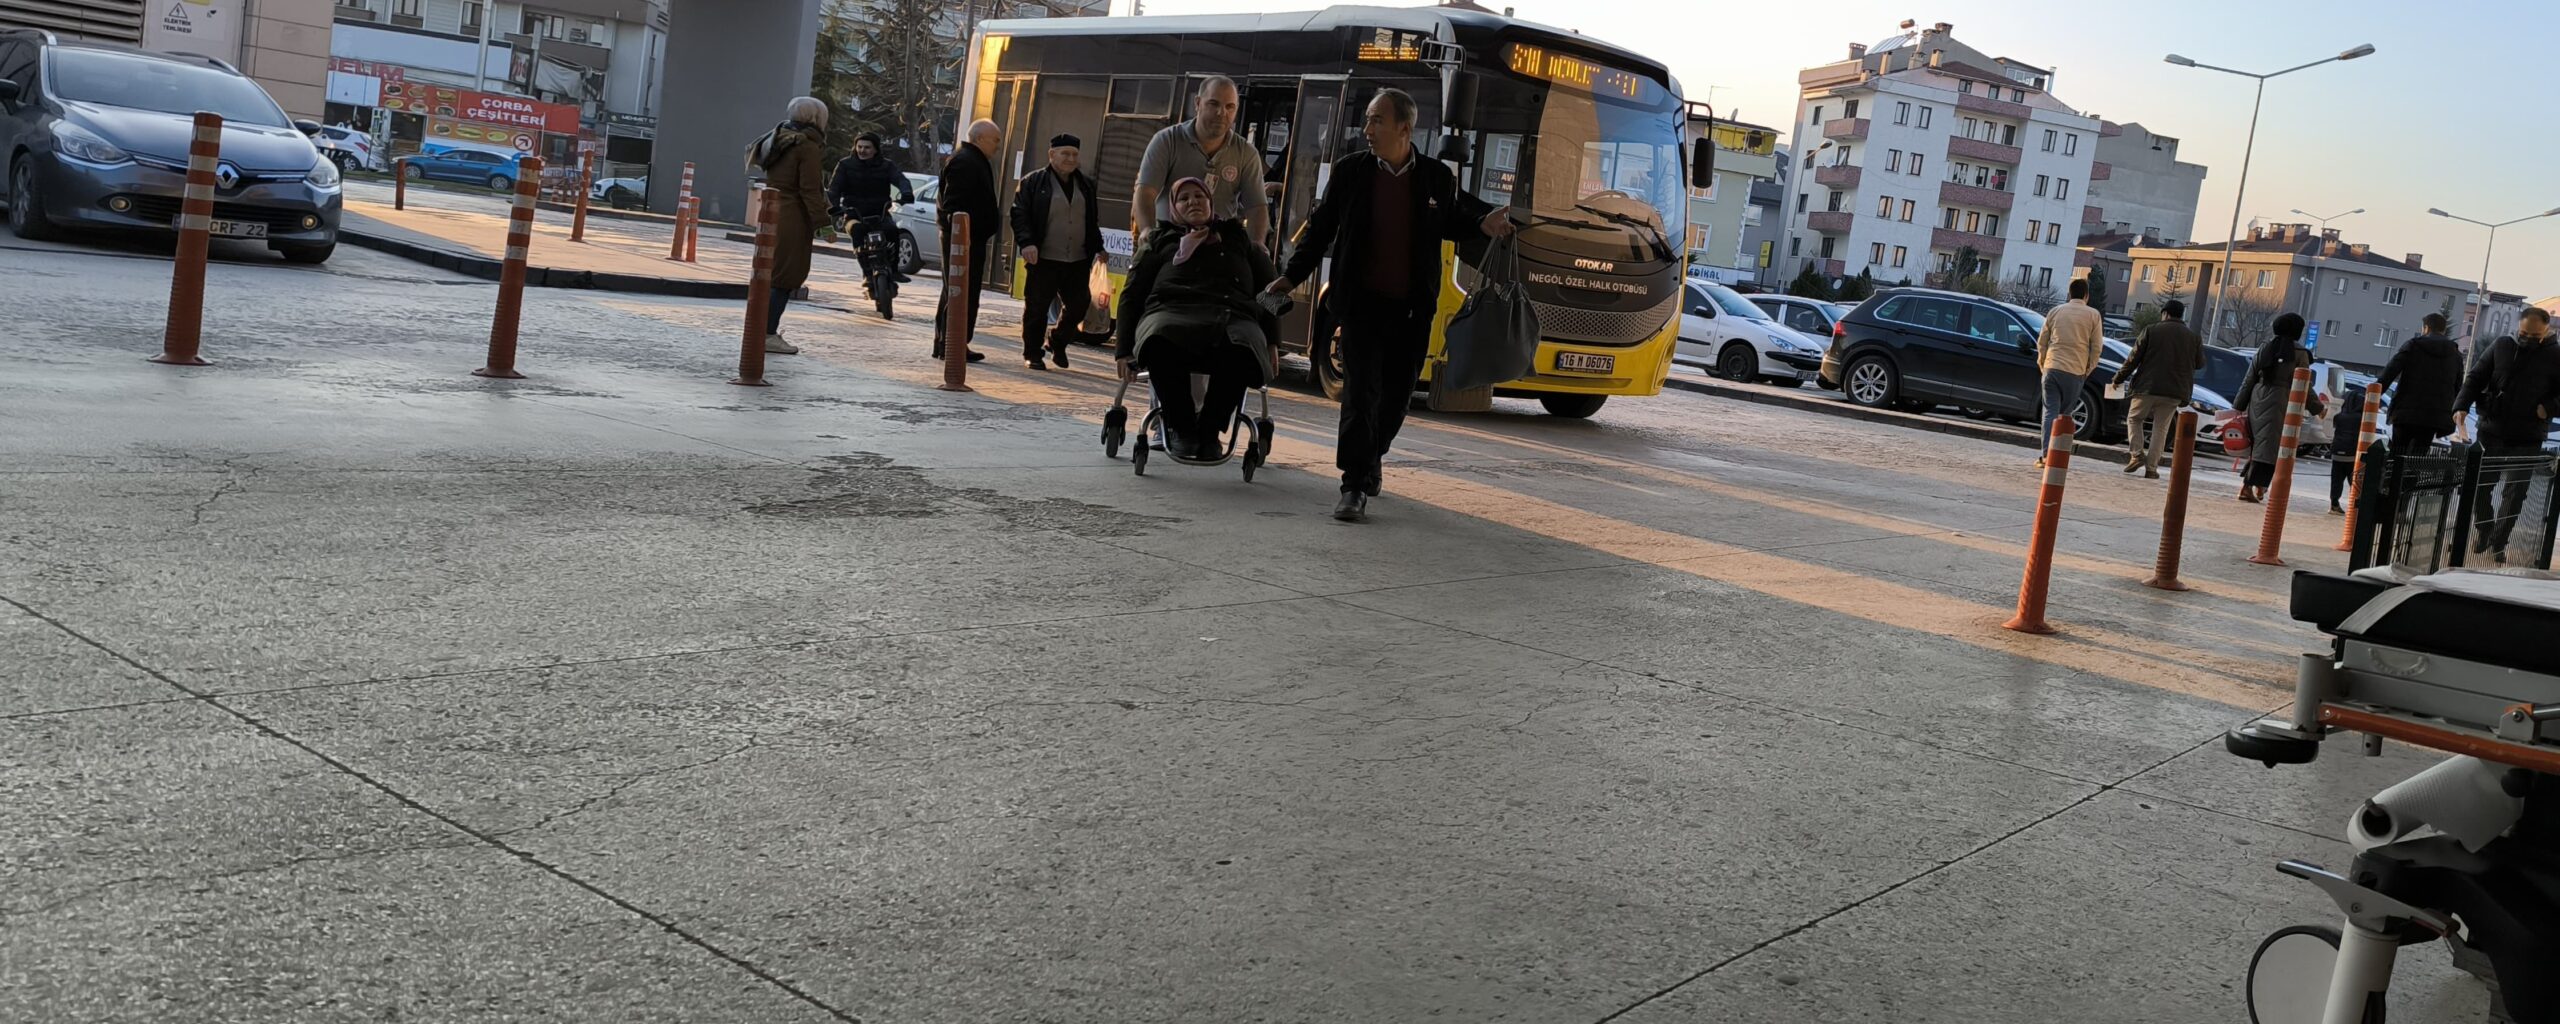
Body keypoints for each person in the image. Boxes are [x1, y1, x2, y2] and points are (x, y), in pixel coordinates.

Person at [1269, 87, 1512, 523]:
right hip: (1360, 306)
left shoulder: (1436, 178)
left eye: (1376, 120)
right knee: (1360, 395)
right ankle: (1352, 485)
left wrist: (1482, 223)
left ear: (1405, 128)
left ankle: (1372, 455)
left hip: (1412, 311)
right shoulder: (1350, 173)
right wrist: (1291, 277)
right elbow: (1320, 231)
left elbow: (1451, 220)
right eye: (1367, 120)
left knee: (1396, 399)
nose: (1367, 129)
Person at [1115, 177, 1280, 460]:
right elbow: (1132, 295)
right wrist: (1123, 349)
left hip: (1231, 317)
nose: (1193, 202)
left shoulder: (1239, 240)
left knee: (1243, 348)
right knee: (1158, 340)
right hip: (1171, 315)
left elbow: (1275, 293)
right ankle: (1181, 429)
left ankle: (1209, 431)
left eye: (1199, 196)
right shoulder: (1159, 241)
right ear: (1174, 207)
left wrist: (1273, 341)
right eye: (1184, 198)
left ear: (1210, 202)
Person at [2452, 306, 2560, 562]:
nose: (2527, 339)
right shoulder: (2502, 345)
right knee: (2480, 485)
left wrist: (2549, 408)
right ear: (2518, 328)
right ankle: (2485, 529)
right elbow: (2476, 377)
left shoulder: (2556, 356)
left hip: (2529, 434)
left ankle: (2499, 542)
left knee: (2515, 493)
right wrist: (2461, 406)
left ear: (2547, 331)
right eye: (2524, 333)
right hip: (2492, 428)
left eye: (2534, 336)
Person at [1133, 76, 1270, 246]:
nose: (1222, 113)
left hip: (1219, 249)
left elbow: (1257, 207)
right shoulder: (1167, 141)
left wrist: (1257, 244)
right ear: (1197, 103)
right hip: (1169, 244)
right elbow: (1145, 191)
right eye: (1214, 104)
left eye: (1230, 107)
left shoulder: (1246, 153)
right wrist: (1147, 229)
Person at [1009, 133, 1104, 371]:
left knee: (1079, 305)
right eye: (1065, 154)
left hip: (1077, 259)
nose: (1071, 159)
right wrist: (1027, 243)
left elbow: (1091, 220)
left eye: (1074, 155)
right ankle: (1032, 353)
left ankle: (1057, 341)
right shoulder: (1033, 182)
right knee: (1037, 308)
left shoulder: (1086, 184)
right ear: (1052, 155)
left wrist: (1099, 247)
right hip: (1044, 258)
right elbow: (1019, 215)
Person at [744, 97, 831, 355]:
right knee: (785, 276)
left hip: (771, 211)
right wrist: (824, 224)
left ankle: (760, 329)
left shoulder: (778, 136)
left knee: (770, 274)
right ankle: (767, 333)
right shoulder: (807, 146)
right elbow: (810, 190)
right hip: (793, 215)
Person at [931, 119, 1003, 363]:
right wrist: (963, 236)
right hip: (963, 240)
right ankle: (951, 343)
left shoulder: (972, 160)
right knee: (960, 290)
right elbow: (955, 205)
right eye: (995, 140)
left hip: (968, 238)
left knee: (956, 289)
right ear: (980, 138)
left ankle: (951, 342)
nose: (998, 146)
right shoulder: (965, 162)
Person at [2114, 299, 2203, 478]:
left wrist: (2118, 378)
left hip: (2148, 386)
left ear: (2165, 313)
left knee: (2134, 418)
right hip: (2175, 391)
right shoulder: (2193, 337)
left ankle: (2137, 454)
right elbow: (2199, 363)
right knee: (2161, 428)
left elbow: (2133, 359)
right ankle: (2152, 469)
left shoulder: (2151, 330)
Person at [2235, 313, 2316, 503]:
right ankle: (2250, 487)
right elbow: (2304, 384)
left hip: (2257, 398)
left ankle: (2258, 487)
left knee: (2261, 446)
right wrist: (2316, 407)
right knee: (2270, 450)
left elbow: (2249, 378)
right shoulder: (2300, 353)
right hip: (2282, 401)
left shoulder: (2265, 348)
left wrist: (2239, 405)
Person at [2375, 312, 2466, 457]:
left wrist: (2373, 395)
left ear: (2426, 328)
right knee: (2417, 458)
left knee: (2397, 455)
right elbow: (2458, 387)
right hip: (2433, 417)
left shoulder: (2413, 346)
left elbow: (2390, 372)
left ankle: (2393, 479)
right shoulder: (2455, 355)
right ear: (2443, 330)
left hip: (2405, 412)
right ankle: (2409, 479)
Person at [2034, 278, 2105, 458]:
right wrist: (2087, 369)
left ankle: (2045, 455)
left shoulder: (2055, 311)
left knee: (2049, 411)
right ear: (2086, 296)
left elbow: (2042, 341)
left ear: (2069, 294)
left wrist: (2043, 363)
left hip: (2052, 367)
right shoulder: (2093, 315)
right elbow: (2096, 347)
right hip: (2075, 370)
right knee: (2065, 415)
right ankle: (2057, 454)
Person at [827, 132, 914, 276]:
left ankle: (894, 269)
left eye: (867, 147)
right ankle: (866, 272)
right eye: (859, 147)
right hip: (854, 213)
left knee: (892, 231)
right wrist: (835, 207)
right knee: (857, 230)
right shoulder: (845, 165)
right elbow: (834, 189)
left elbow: (901, 180)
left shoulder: (887, 165)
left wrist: (907, 193)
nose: (862, 150)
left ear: (875, 149)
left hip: (879, 214)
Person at [2328, 385, 2368, 513]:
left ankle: (2334, 504)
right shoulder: (2361, 419)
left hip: (2337, 453)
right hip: (2352, 455)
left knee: (2336, 480)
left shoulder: (2338, 417)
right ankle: (2357, 507)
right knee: (2355, 481)